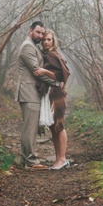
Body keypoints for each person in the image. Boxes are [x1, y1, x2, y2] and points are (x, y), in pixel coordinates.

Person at [15, 21, 57, 169]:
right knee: (30, 128)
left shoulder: (34, 47)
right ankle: (32, 161)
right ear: (30, 30)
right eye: (38, 32)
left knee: (29, 127)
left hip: (32, 92)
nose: (40, 35)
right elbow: (36, 71)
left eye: (42, 33)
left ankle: (23, 159)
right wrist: (55, 83)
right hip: (28, 92)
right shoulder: (27, 47)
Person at [34, 29, 70, 170]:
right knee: (53, 127)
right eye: (44, 40)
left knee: (59, 126)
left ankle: (63, 159)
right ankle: (58, 160)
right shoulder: (47, 54)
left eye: (49, 39)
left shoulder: (53, 55)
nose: (46, 42)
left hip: (56, 94)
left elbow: (60, 76)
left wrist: (44, 71)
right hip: (49, 93)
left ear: (53, 41)